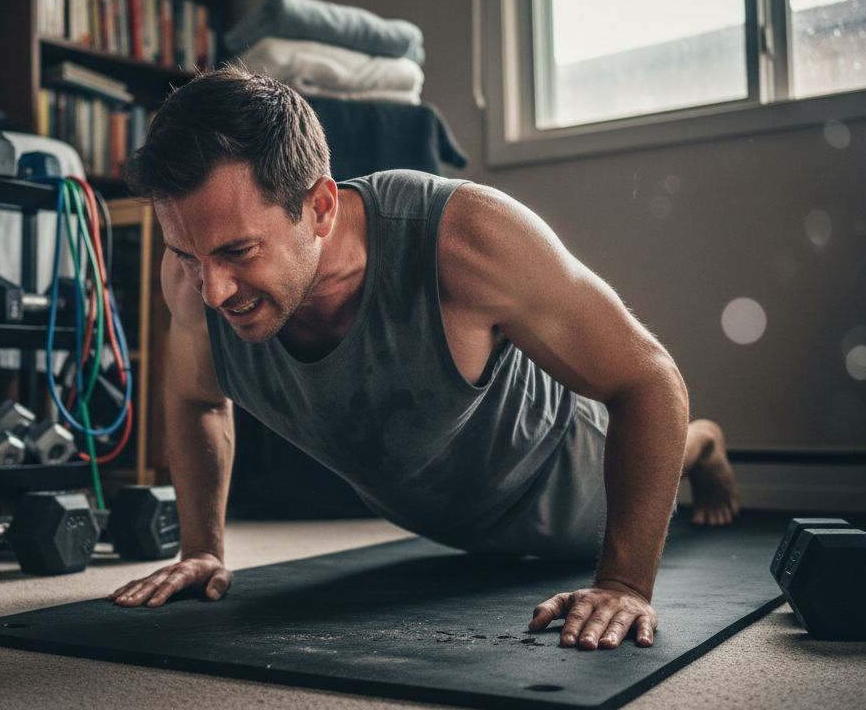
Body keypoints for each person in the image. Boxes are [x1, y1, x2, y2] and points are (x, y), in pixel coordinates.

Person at [108, 66, 740, 652]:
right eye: (187, 254)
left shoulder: (467, 236)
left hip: (562, 486)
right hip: (429, 511)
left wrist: (625, 584)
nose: (212, 290)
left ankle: (702, 445)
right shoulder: (189, 276)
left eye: (238, 250)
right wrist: (203, 548)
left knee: (661, 449)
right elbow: (196, 398)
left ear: (321, 207)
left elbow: (648, 379)